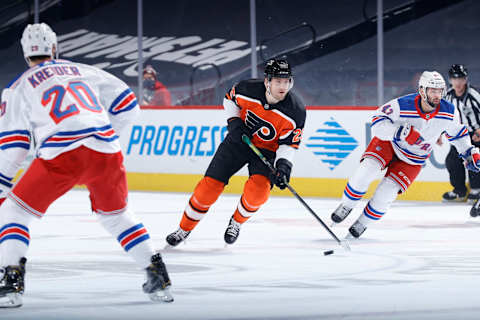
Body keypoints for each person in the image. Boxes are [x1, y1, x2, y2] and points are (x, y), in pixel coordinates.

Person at [0, 23, 172, 307]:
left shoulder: (18, 86)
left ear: (25, 53)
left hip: (62, 154)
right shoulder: (84, 70)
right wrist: (105, 136)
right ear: (54, 48)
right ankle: (158, 276)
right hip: (106, 150)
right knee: (117, 216)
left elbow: (16, 145)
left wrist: (3, 182)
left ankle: (12, 282)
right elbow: (129, 105)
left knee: (15, 211)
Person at [165, 59, 306, 246]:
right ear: (267, 81)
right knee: (207, 189)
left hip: (267, 152)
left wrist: (283, 167)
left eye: (286, 81)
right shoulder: (246, 89)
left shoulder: (295, 111)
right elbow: (229, 100)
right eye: (278, 81)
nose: (282, 86)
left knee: (258, 193)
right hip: (238, 142)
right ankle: (184, 229)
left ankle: (236, 222)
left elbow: (289, 145)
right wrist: (234, 122)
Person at [330, 70, 480, 239]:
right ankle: (347, 205)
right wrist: (400, 132)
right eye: (433, 90)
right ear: (422, 90)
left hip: (413, 159)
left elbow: (458, 134)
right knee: (365, 172)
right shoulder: (403, 104)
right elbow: (377, 122)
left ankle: (363, 223)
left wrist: (469, 152)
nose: (437, 95)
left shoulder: (449, 112)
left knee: (386, 193)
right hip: (389, 144)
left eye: (440, 90)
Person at [442, 64, 480, 202]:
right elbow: (442, 115)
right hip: (459, 135)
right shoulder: (448, 96)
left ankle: (476, 189)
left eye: (461, 79)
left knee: (473, 159)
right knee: (452, 161)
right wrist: (439, 134)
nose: (458, 82)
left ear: (465, 79)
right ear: (450, 80)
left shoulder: (474, 95)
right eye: (454, 79)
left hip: (477, 134)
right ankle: (460, 190)